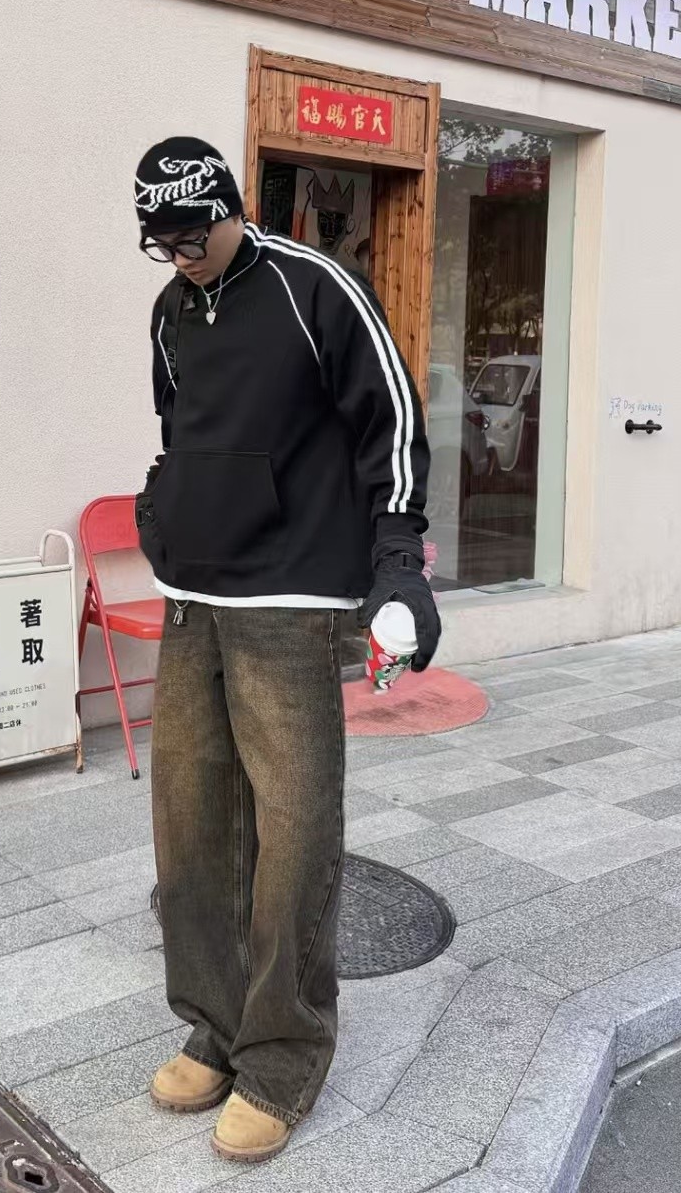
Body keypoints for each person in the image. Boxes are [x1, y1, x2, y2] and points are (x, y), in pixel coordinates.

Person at [131, 136, 440, 1164]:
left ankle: (283, 1056)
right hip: (193, 603)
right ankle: (214, 1027)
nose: (180, 255)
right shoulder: (171, 310)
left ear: (229, 209)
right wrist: (163, 515)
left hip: (293, 601)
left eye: (193, 234)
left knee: (294, 833)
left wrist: (399, 568)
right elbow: (180, 431)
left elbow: (392, 425)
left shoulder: (316, 289)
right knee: (191, 830)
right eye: (162, 241)